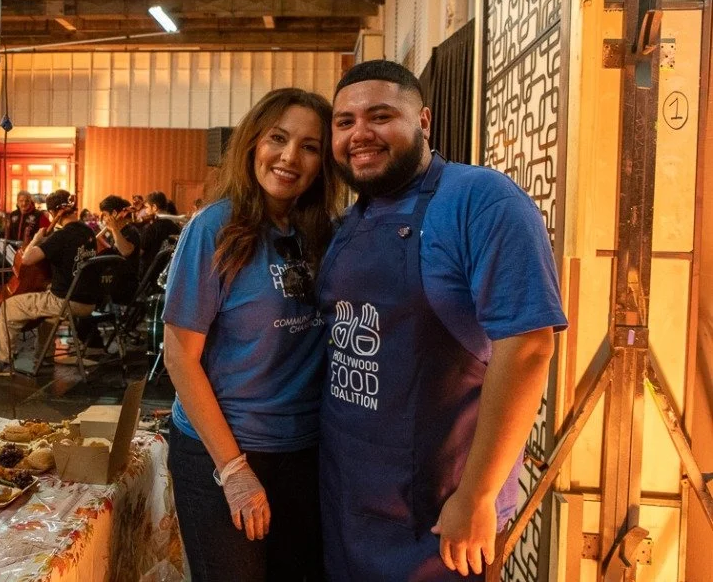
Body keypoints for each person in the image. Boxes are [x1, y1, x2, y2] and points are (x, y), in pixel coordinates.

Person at [318, 60, 568, 581]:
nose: (360, 133)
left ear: (424, 121)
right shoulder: (351, 221)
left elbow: (527, 349)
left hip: (440, 517)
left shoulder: (481, 200)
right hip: (349, 501)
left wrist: (476, 497)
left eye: (380, 115)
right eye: (344, 122)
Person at [162, 88, 341, 581]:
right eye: (277, 139)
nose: (289, 157)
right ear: (252, 144)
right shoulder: (215, 229)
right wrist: (235, 471)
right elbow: (179, 356)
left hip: (304, 451)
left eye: (309, 146)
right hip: (223, 451)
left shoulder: (324, 232)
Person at [0, 190, 98, 376]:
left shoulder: (60, 237)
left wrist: (36, 239)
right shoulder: (89, 232)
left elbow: (26, 259)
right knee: (47, 311)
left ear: (53, 212)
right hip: (88, 302)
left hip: (65, 301)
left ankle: (1, 361)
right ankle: (46, 357)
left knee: (7, 306)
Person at [98, 195, 141, 305]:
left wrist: (113, 228)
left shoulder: (131, 231)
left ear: (114, 214)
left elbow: (126, 251)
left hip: (124, 284)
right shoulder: (115, 232)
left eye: (105, 215)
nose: (104, 219)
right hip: (112, 279)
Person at [137, 191, 181, 280]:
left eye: (147, 207)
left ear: (154, 207)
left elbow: (140, 252)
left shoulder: (151, 228)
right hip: (168, 273)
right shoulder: (176, 227)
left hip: (149, 275)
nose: (145, 211)